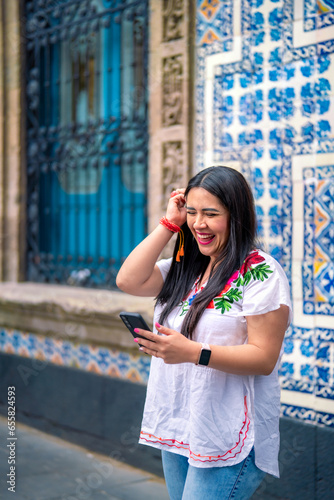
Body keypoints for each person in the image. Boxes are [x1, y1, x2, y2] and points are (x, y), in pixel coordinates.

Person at [116, 166, 292, 500]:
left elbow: (264, 357)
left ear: (236, 216)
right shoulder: (188, 268)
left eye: (211, 214)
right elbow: (128, 280)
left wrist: (193, 352)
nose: (199, 224)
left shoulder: (261, 273)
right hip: (180, 425)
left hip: (228, 432)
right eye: (193, 212)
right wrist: (169, 224)